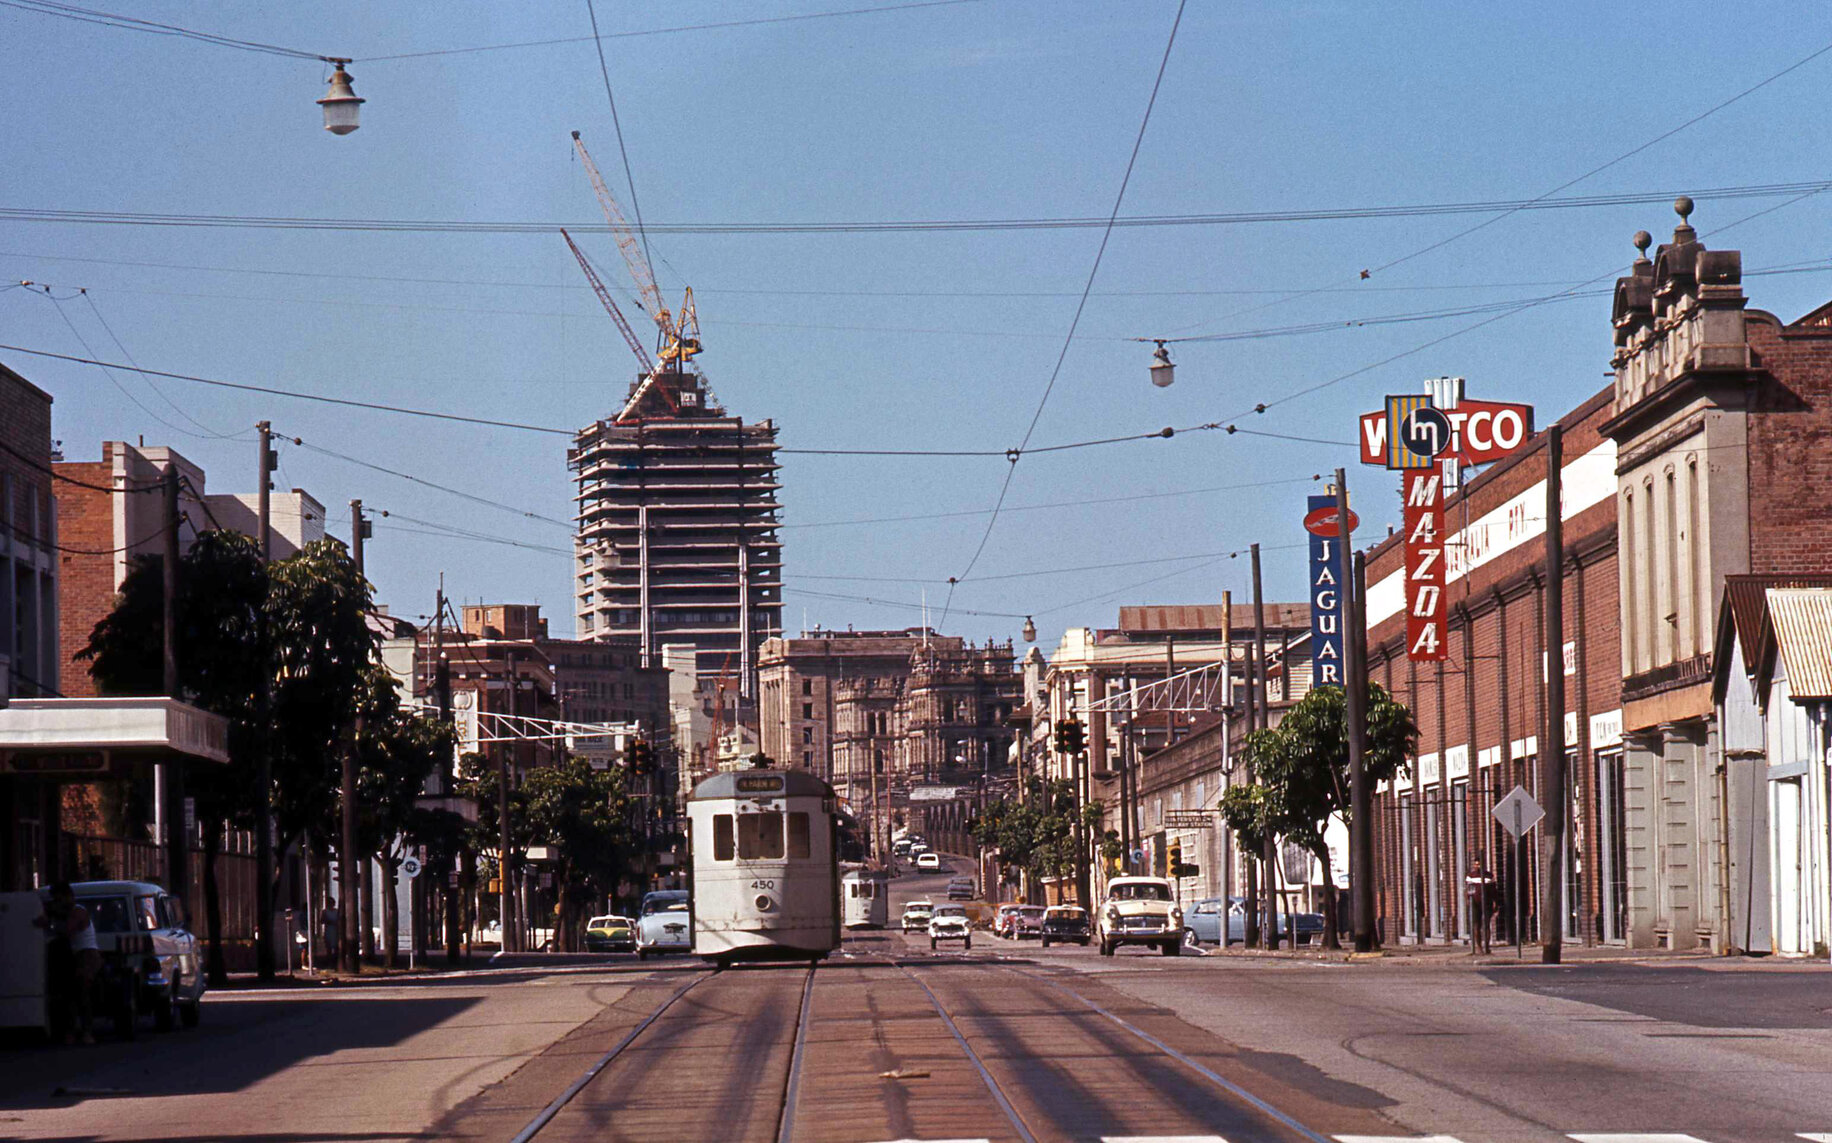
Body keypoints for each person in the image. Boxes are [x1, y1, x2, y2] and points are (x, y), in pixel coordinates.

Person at [37, 882, 100, 1044]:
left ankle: (87, 1032)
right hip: (76, 955)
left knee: (82, 992)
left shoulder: (78, 911)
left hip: (86, 955)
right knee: (70, 994)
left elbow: (67, 930)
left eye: (59, 899)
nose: (57, 902)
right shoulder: (68, 912)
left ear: (67, 896)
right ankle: (72, 1031)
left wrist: (48, 924)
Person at [1465, 859, 1497, 954]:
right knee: (1476, 925)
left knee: (1486, 925)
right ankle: (1479, 947)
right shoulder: (1470, 876)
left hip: (1487, 902)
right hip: (1475, 903)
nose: (1477, 866)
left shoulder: (1489, 876)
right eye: (1476, 864)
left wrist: (1495, 902)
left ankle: (1487, 947)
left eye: (1479, 864)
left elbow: (1493, 890)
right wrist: (1468, 900)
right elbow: (1468, 890)